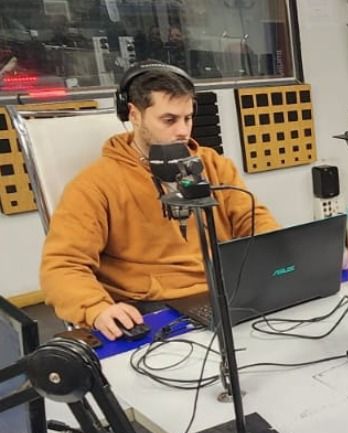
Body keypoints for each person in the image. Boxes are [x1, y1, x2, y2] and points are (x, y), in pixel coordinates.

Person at [40, 62, 278, 339]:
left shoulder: (213, 165)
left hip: (227, 293)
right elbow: (62, 265)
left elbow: (253, 220)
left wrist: (286, 260)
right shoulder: (94, 184)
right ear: (134, 114)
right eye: (169, 120)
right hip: (153, 309)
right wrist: (97, 308)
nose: (182, 131)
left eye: (187, 118)